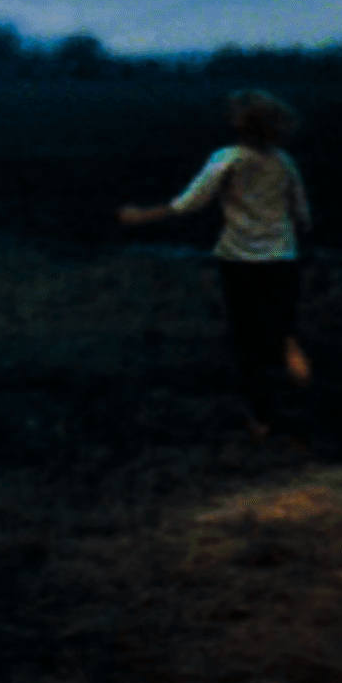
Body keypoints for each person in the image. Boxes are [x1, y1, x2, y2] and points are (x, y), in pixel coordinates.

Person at [119, 89, 314, 438]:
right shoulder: (285, 162)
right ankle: (287, 343)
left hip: (239, 259)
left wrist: (140, 216)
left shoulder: (228, 159)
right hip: (282, 257)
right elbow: (301, 214)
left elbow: (189, 204)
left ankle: (261, 419)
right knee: (278, 318)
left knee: (246, 338)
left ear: (242, 124)